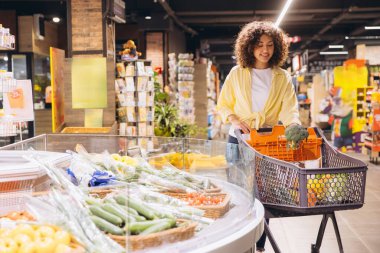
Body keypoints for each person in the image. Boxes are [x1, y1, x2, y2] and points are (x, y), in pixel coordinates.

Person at [216, 21, 301, 252]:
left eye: (270, 45)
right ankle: (238, 243)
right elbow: (223, 105)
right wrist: (234, 119)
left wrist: (293, 125)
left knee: (264, 195)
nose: (265, 50)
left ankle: (260, 245)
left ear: (277, 48)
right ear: (249, 47)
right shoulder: (237, 73)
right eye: (259, 45)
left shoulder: (282, 77)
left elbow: (290, 108)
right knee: (239, 193)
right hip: (239, 141)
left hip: (267, 143)